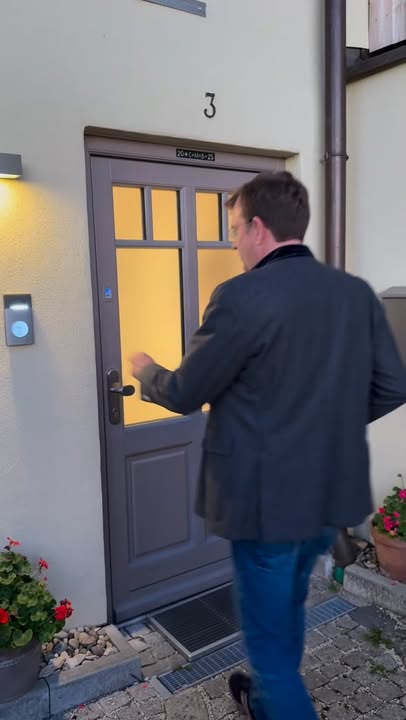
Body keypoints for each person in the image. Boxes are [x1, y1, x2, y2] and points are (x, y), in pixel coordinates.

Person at [130, 171, 406, 719]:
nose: (233, 243)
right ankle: (263, 698)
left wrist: (147, 371)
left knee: (270, 648)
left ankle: (275, 694)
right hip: (325, 498)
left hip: (265, 507)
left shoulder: (240, 297)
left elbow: (186, 392)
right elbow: (394, 385)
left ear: (258, 228)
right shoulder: (352, 293)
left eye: (235, 229)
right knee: (289, 609)